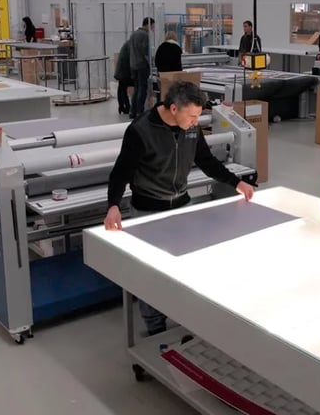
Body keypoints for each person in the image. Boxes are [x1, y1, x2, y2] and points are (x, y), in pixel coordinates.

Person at [103, 80, 255, 335]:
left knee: (186, 266)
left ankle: (186, 319)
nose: (196, 121)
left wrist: (236, 182)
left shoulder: (191, 129)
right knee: (151, 275)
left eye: (199, 115)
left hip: (181, 205)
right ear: (173, 108)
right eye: (192, 115)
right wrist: (113, 206)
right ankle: (156, 329)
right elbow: (121, 172)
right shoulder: (141, 130)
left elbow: (206, 161)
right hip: (148, 210)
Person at [128, 17, 155, 119]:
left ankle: (132, 111)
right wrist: (150, 63)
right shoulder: (145, 35)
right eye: (152, 25)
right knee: (142, 89)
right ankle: (140, 112)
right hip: (142, 66)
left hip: (133, 65)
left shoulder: (133, 34)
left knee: (136, 88)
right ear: (148, 24)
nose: (153, 27)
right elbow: (145, 52)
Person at [114, 39, 133, 115]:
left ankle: (122, 106)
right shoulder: (131, 45)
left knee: (121, 88)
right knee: (123, 89)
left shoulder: (128, 44)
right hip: (124, 71)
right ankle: (126, 107)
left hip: (122, 71)